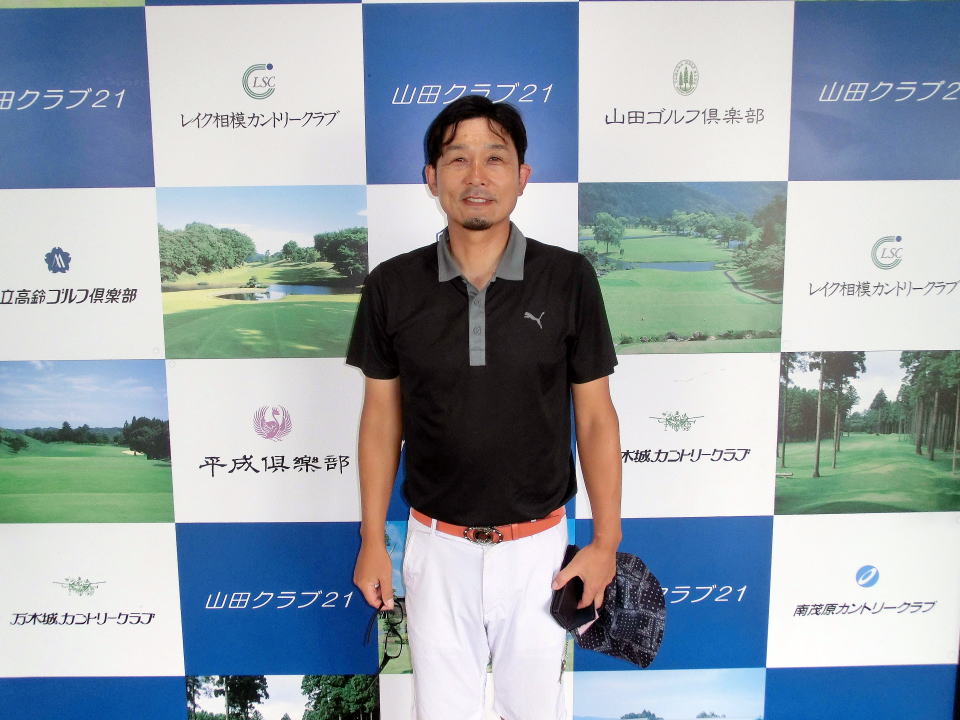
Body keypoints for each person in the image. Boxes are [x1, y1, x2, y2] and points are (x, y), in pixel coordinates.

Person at [347, 95, 622, 720]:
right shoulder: (392, 285)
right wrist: (372, 538)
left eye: (495, 158)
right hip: (434, 547)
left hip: (540, 552)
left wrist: (605, 541)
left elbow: (596, 417)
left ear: (522, 176)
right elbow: (381, 419)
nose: (477, 176)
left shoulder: (568, 278)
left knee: (534, 712)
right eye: (458, 159)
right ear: (431, 178)